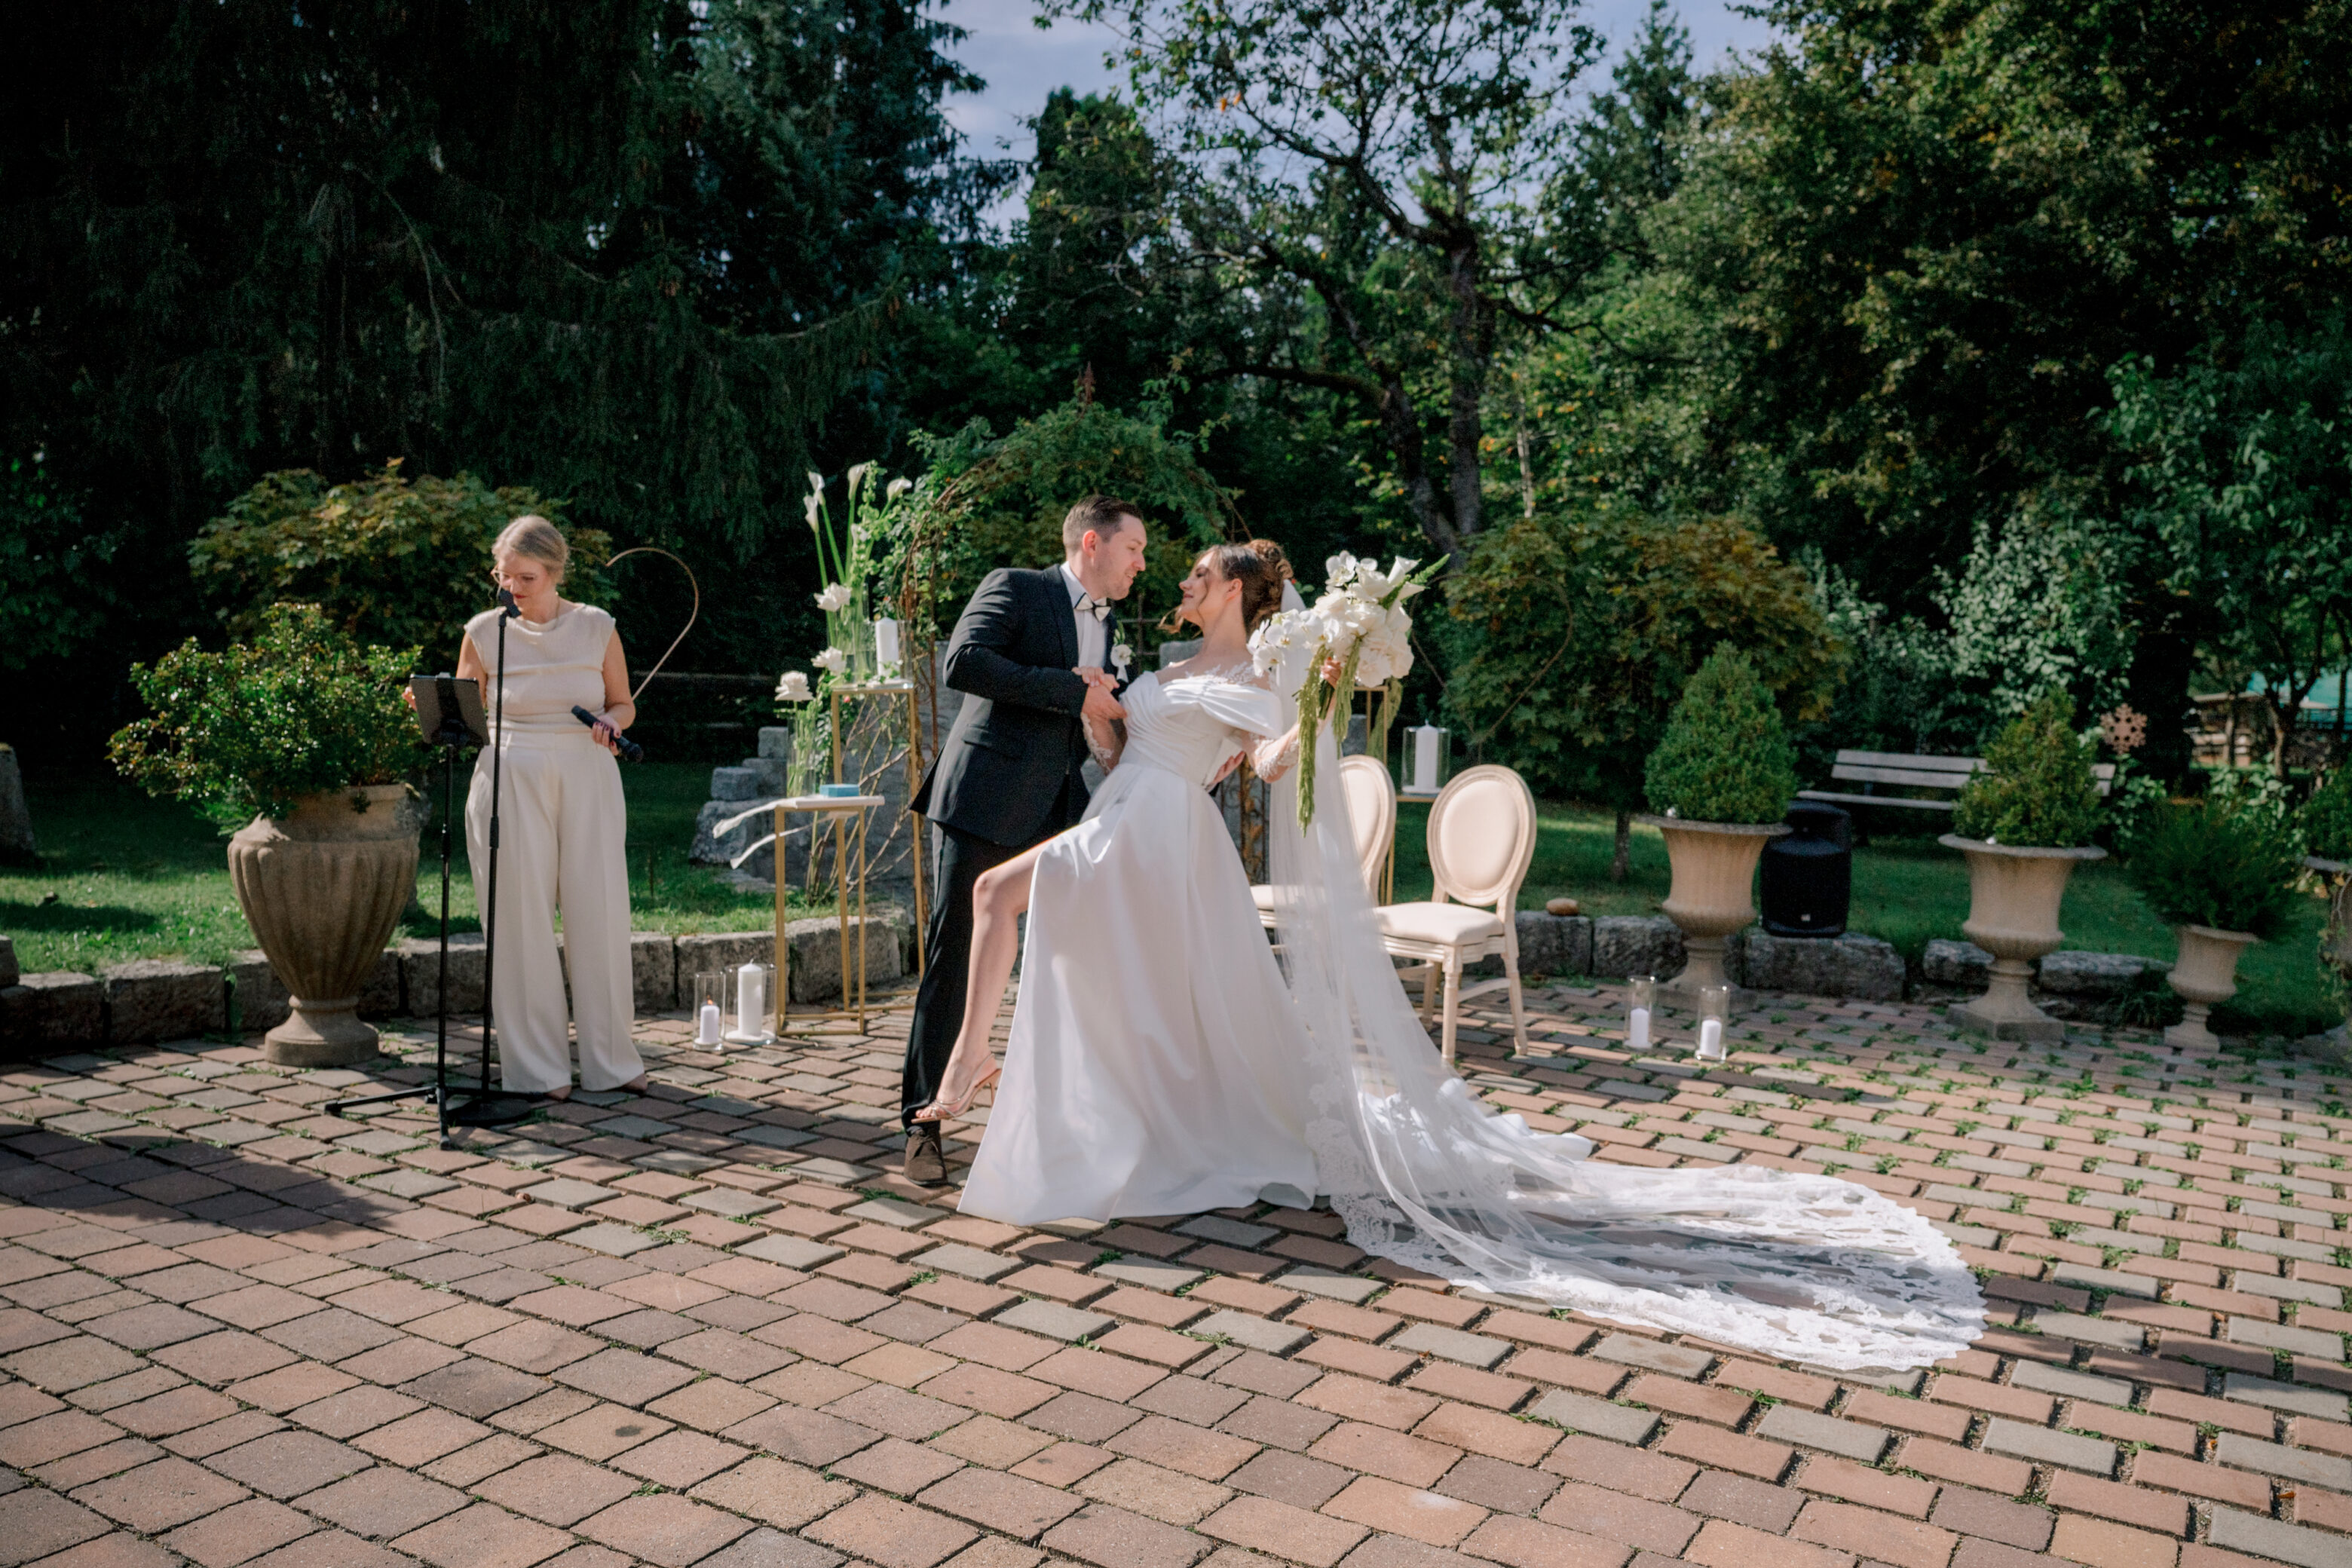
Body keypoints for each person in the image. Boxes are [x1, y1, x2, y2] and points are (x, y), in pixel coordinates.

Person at [912, 541, 1986, 1372]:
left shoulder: (1264, 679)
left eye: (1197, 572)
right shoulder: (1165, 663)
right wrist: (1101, 712)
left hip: (1164, 835)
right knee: (1081, 955)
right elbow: (1124, 748)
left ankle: (969, 1067)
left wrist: (1316, 703)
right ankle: (1022, 1079)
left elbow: (1275, 755)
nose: (1180, 579)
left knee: (1005, 897)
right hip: (1129, 816)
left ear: (1236, 589)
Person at [897, 496, 1147, 1184]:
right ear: (1092, 542)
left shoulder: (1111, 622)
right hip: (986, 796)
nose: (1141, 564)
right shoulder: (1016, 586)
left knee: (1072, 961)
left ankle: (1059, 1122)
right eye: (1134, 549)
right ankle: (924, 1124)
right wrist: (1072, 690)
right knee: (953, 962)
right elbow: (964, 663)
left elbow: (1097, 710)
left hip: (1062, 807)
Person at [455, 516, 649, 1102]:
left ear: (555, 571)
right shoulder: (483, 632)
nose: (512, 587)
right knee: (518, 919)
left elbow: (623, 702)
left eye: (526, 577)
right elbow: (464, 713)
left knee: (600, 910)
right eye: (504, 576)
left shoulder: (596, 626)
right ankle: (539, 1070)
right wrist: (432, 705)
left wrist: (613, 720)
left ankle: (612, 1060)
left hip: (587, 773)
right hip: (508, 774)